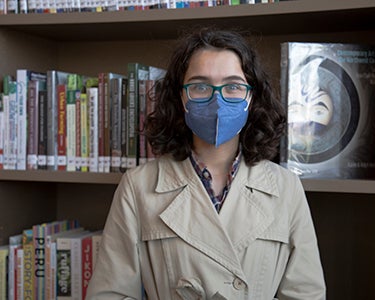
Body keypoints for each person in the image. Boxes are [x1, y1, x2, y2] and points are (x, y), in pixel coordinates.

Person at [86, 26, 326, 300]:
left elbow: (306, 294)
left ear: (251, 96)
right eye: (200, 86)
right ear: (181, 96)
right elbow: (110, 294)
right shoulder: (138, 186)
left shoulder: (286, 188)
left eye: (233, 86)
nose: (217, 100)